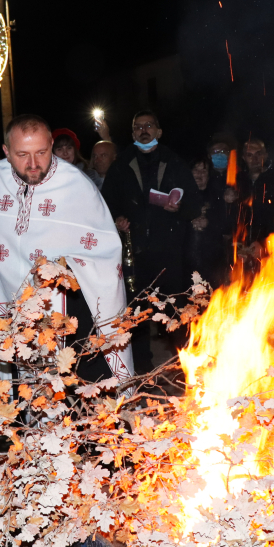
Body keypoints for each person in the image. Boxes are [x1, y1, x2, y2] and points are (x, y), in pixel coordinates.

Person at [0, 114, 133, 383]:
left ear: (52, 145)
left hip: (70, 305)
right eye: (22, 154)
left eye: (42, 153)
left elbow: (104, 245)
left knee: (81, 381)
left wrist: (65, 268)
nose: (33, 164)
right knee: (26, 386)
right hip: (10, 300)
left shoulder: (76, 185)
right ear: (6, 151)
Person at [100, 110, 201, 371]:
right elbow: (105, 204)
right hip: (135, 253)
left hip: (168, 252)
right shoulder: (121, 165)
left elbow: (194, 205)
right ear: (132, 133)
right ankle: (142, 372)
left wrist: (179, 209)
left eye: (149, 125)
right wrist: (118, 218)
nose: (143, 130)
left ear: (159, 131)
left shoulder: (174, 162)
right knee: (137, 314)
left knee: (174, 312)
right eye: (138, 127)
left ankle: (183, 368)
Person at [186, 157, 227, 287]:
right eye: (196, 170)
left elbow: (226, 225)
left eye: (204, 170)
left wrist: (208, 223)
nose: (199, 174)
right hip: (186, 263)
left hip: (212, 261)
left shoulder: (218, 196)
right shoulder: (180, 196)